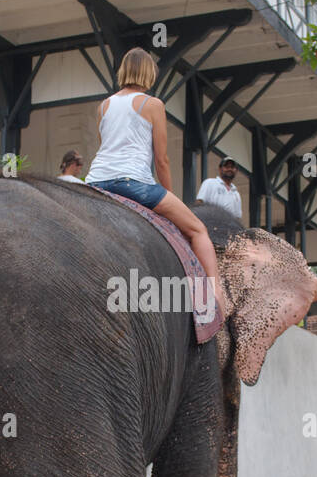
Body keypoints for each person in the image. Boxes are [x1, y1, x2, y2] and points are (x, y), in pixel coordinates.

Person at [84, 47, 224, 316]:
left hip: (96, 182)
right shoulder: (153, 105)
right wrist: (168, 197)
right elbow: (161, 160)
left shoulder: (104, 106)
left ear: (123, 71)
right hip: (133, 182)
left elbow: (106, 149)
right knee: (197, 230)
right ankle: (215, 295)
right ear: (149, 73)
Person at [195, 157, 242, 221]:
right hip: (211, 224)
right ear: (220, 169)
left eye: (232, 167)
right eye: (227, 167)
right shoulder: (209, 182)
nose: (229, 169)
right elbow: (199, 203)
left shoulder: (236, 193)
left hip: (229, 228)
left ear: (236, 171)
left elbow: (237, 217)